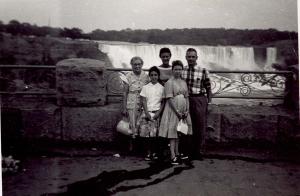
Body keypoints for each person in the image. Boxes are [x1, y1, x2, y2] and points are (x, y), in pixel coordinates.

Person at [159, 60, 192, 165]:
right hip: (173, 110)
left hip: (183, 110)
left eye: (179, 69)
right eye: (176, 69)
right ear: (172, 70)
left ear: (182, 70)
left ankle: (177, 153)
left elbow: (186, 97)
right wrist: (177, 112)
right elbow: (169, 99)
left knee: (180, 132)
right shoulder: (169, 82)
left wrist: (187, 110)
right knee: (173, 133)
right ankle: (172, 155)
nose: (178, 71)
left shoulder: (183, 82)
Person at [181, 48, 212, 160]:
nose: (191, 59)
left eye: (193, 56)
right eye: (189, 56)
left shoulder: (203, 70)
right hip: (185, 100)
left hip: (199, 99)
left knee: (199, 126)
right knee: (186, 126)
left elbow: (208, 87)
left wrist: (210, 102)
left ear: (196, 58)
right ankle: (186, 152)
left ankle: (198, 152)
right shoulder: (182, 70)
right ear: (186, 57)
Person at [123, 56, 150, 150]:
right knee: (132, 123)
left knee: (141, 122)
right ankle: (131, 146)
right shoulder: (128, 76)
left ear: (142, 65)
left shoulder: (146, 76)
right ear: (131, 65)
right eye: (135, 64)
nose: (137, 66)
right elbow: (125, 92)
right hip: (132, 100)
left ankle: (141, 146)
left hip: (142, 101)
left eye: (139, 64)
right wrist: (124, 108)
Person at [139, 66, 164, 161]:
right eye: (152, 75)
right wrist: (146, 113)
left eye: (156, 75)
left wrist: (158, 113)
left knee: (154, 136)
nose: (154, 77)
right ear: (149, 76)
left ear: (158, 76)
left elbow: (163, 102)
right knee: (146, 135)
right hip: (147, 113)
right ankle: (148, 153)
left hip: (156, 113)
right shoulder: (145, 87)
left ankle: (154, 152)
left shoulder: (162, 88)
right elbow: (143, 101)